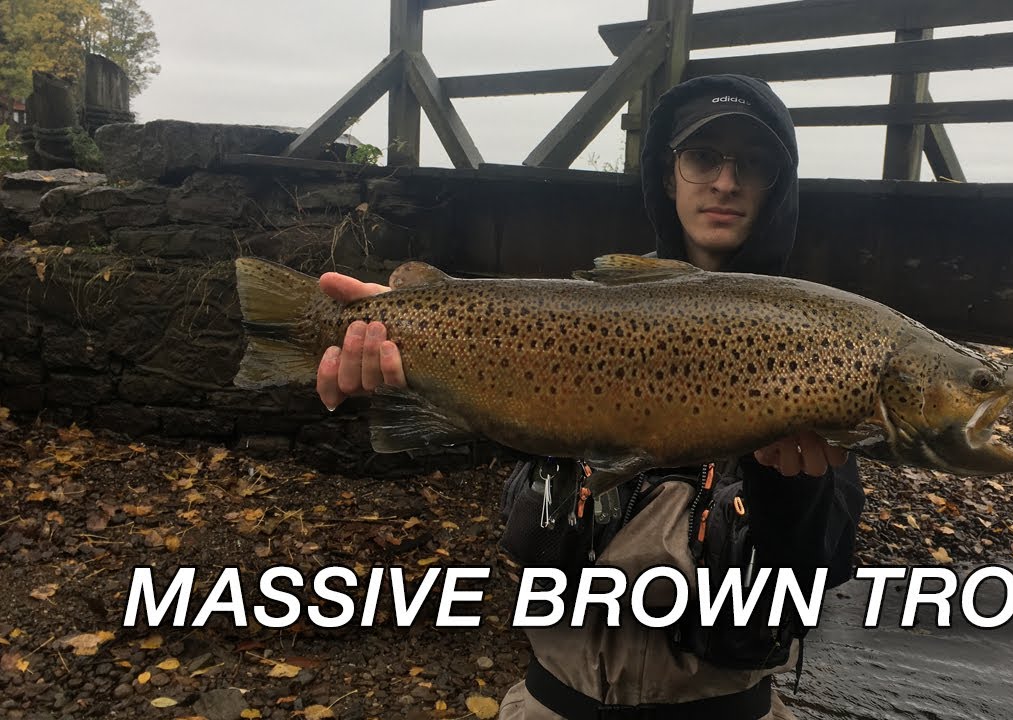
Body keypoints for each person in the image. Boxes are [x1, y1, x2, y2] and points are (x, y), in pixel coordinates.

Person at [315, 74, 865, 720]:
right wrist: (405, 352)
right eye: (702, 157)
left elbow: (815, 572)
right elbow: (492, 456)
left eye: (755, 163)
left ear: (779, 185)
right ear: (668, 176)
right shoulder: (582, 316)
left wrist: (793, 487)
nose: (725, 181)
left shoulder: (817, 342)